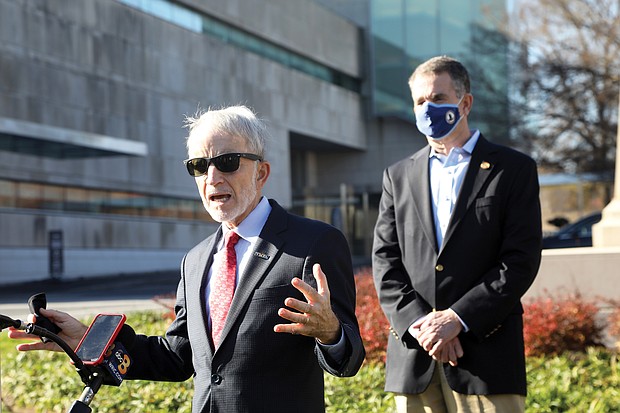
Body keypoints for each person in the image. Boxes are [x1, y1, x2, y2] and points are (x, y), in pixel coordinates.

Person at [9, 105, 365, 413]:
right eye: (199, 165)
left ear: (261, 172)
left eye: (227, 162)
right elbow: (178, 356)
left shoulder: (315, 242)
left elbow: (349, 359)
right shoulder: (195, 261)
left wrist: (331, 333)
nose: (212, 177)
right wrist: (87, 340)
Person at [372, 56, 542, 413]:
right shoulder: (397, 175)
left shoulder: (512, 169)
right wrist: (424, 325)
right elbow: (385, 261)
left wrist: (457, 320)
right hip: (416, 358)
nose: (427, 108)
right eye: (420, 101)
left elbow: (519, 260)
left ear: (465, 103)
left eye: (437, 98)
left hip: (485, 359)